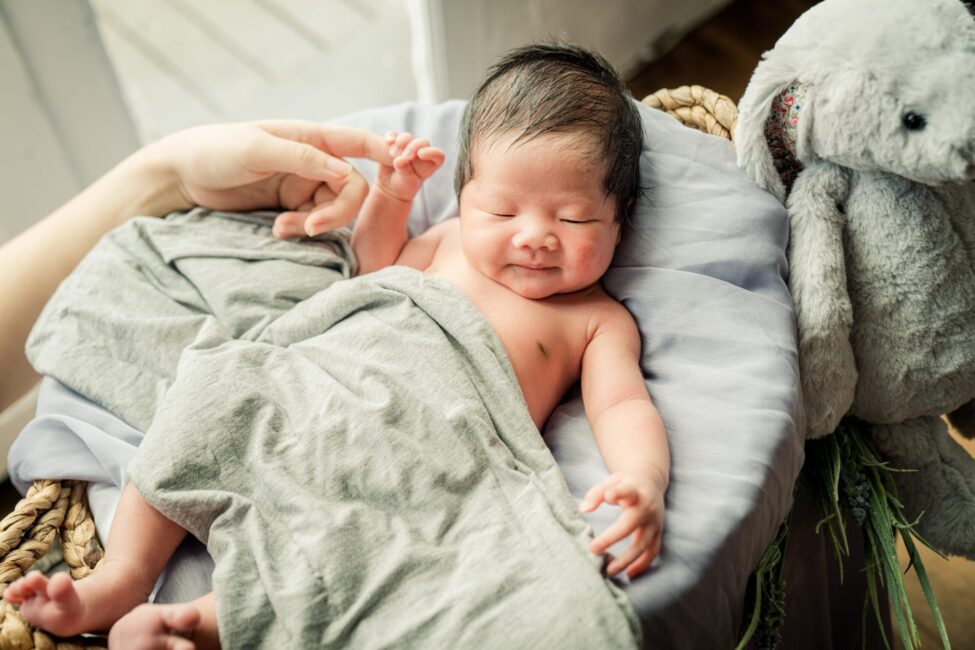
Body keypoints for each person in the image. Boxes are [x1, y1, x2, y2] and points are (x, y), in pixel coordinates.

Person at [4, 44, 669, 649]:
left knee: (362, 541)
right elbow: (374, 271)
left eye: (573, 217)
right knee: (214, 397)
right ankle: (118, 582)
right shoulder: (447, 241)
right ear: (465, 198)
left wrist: (642, 480)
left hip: (427, 437)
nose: (533, 236)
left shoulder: (595, 319)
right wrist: (392, 193)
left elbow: (621, 407)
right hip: (323, 380)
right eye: (502, 211)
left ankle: (196, 621)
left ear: (620, 220)